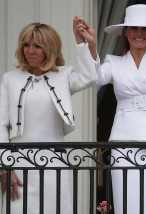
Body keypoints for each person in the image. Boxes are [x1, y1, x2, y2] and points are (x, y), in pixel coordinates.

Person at [75, 3, 146, 214]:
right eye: (134, 28)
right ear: (125, 32)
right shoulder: (114, 61)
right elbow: (95, 78)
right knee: (127, 200)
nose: (139, 34)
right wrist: (91, 45)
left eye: (145, 29)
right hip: (124, 139)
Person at [0, 21, 97, 213]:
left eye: (38, 46)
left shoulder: (64, 74)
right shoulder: (9, 78)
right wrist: (5, 167)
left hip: (54, 163)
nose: (30, 51)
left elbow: (91, 77)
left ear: (50, 48)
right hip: (18, 165)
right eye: (26, 45)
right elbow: (1, 125)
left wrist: (85, 44)